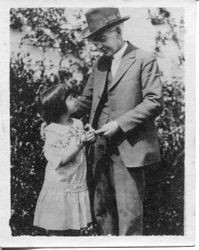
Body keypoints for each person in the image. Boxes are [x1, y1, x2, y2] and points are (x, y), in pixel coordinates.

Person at [75, 7, 163, 235]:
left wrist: (119, 124)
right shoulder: (100, 65)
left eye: (101, 39)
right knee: (102, 211)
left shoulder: (144, 59)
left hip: (129, 149)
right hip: (99, 148)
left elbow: (154, 102)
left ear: (117, 30)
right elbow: (84, 101)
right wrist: (52, 118)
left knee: (129, 215)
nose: (98, 45)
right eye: (95, 41)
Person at [34, 84, 96, 236]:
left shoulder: (77, 123)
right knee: (57, 228)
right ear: (59, 106)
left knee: (73, 228)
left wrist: (89, 138)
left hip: (75, 181)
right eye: (70, 98)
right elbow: (62, 159)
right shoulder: (52, 131)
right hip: (61, 186)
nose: (75, 100)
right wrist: (80, 143)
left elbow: (82, 150)